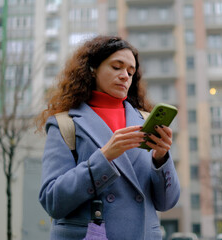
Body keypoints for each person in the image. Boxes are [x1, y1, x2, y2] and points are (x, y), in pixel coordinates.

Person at [36, 35, 180, 240]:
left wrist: (161, 158)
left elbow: (167, 203)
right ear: (92, 69)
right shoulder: (65, 124)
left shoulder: (145, 121)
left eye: (131, 72)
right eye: (116, 67)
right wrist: (103, 158)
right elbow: (52, 201)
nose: (125, 76)